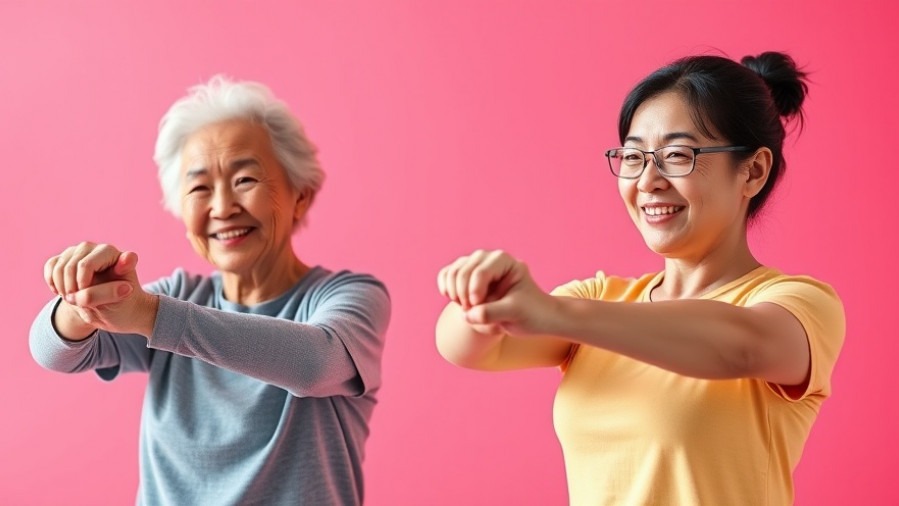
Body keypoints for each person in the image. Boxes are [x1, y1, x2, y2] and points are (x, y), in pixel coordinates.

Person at [436, 52, 845, 505]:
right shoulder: (599, 300)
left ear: (752, 171)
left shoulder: (799, 303)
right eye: (633, 156)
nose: (648, 180)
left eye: (676, 155)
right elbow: (468, 349)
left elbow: (740, 346)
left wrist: (554, 312)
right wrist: (478, 297)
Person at [30, 76, 391, 506]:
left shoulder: (348, 296)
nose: (222, 208)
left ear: (300, 196)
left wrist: (151, 316)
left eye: (245, 181)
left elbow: (315, 363)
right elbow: (53, 351)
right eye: (200, 188)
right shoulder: (175, 296)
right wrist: (80, 300)